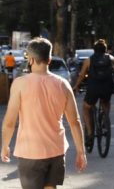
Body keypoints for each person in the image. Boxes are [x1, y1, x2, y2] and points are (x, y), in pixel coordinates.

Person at [1, 37, 87, 188]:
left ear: (31, 60)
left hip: (30, 152)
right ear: (49, 59)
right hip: (56, 150)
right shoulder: (63, 84)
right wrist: (81, 152)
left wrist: (5, 146)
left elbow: (9, 122)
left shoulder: (20, 84)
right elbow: (75, 122)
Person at [72, 40, 114, 148]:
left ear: (94, 50)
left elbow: (82, 75)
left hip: (94, 88)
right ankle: (105, 119)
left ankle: (90, 133)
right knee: (106, 101)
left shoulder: (88, 60)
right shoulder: (111, 58)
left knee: (86, 107)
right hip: (107, 87)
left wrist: (76, 86)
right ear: (105, 50)